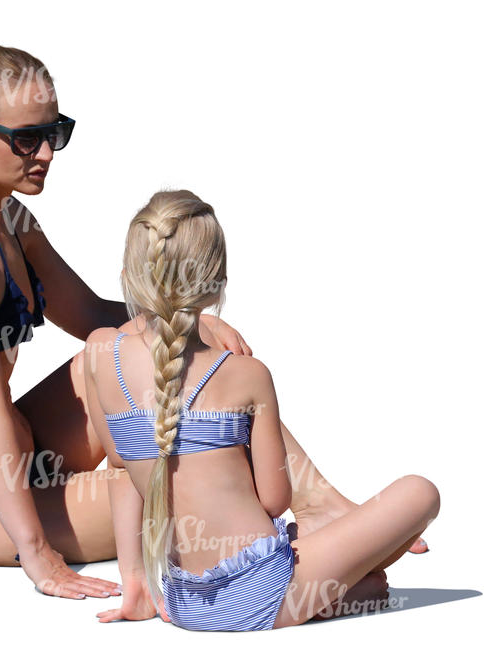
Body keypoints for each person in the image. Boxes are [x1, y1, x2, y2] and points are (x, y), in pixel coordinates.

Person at [0, 25, 426, 601]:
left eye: (55, 133)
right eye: (26, 139)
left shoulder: (6, 217)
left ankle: (320, 503)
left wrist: (185, 322)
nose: (45, 153)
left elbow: (92, 314)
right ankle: (319, 555)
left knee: (156, 352)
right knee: (199, 484)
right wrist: (38, 558)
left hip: (31, 448)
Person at [83, 189, 440, 630]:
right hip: (264, 592)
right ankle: (331, 592)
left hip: (182, 603)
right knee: (420, 492)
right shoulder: (247, 374)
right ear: (217, 284)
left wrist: (135, 581)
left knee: (331, 554)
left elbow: (120, 467)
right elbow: (274, 501)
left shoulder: (99, 353)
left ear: (128, 275)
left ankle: (334, 590)